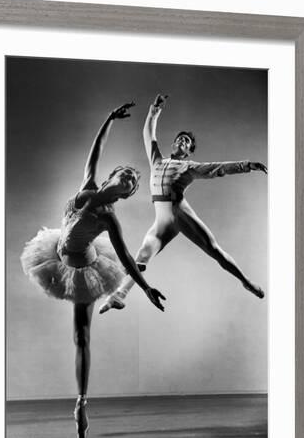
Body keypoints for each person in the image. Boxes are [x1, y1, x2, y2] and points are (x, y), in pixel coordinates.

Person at [21, 102, 166, 438]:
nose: (130, 180)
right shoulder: (86, 186)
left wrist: (145, 288)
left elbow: (127, 258)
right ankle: (81, 400)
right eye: (127, 174)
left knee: (81, 336)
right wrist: (108, 119)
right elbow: (94, 152)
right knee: (79, 336)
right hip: (55, 255)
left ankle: (81, 401)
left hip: (84, 269)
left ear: (126, 195)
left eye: (132, 183)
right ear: (113, 176)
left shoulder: (107, 218)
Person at [99, 94, 267, 315]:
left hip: (180, 212)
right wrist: (154, 110)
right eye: (180, 138)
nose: (182, 141)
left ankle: (245, 280)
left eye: (186, 141)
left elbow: (218, 168)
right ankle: (118, 296)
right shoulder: (157, 160)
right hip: (161, 219)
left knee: (214, 250)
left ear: (188, 152)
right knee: (142, 255)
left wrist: (247, 165)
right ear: (173, 143)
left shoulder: (188, 167)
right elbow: (148, 134)